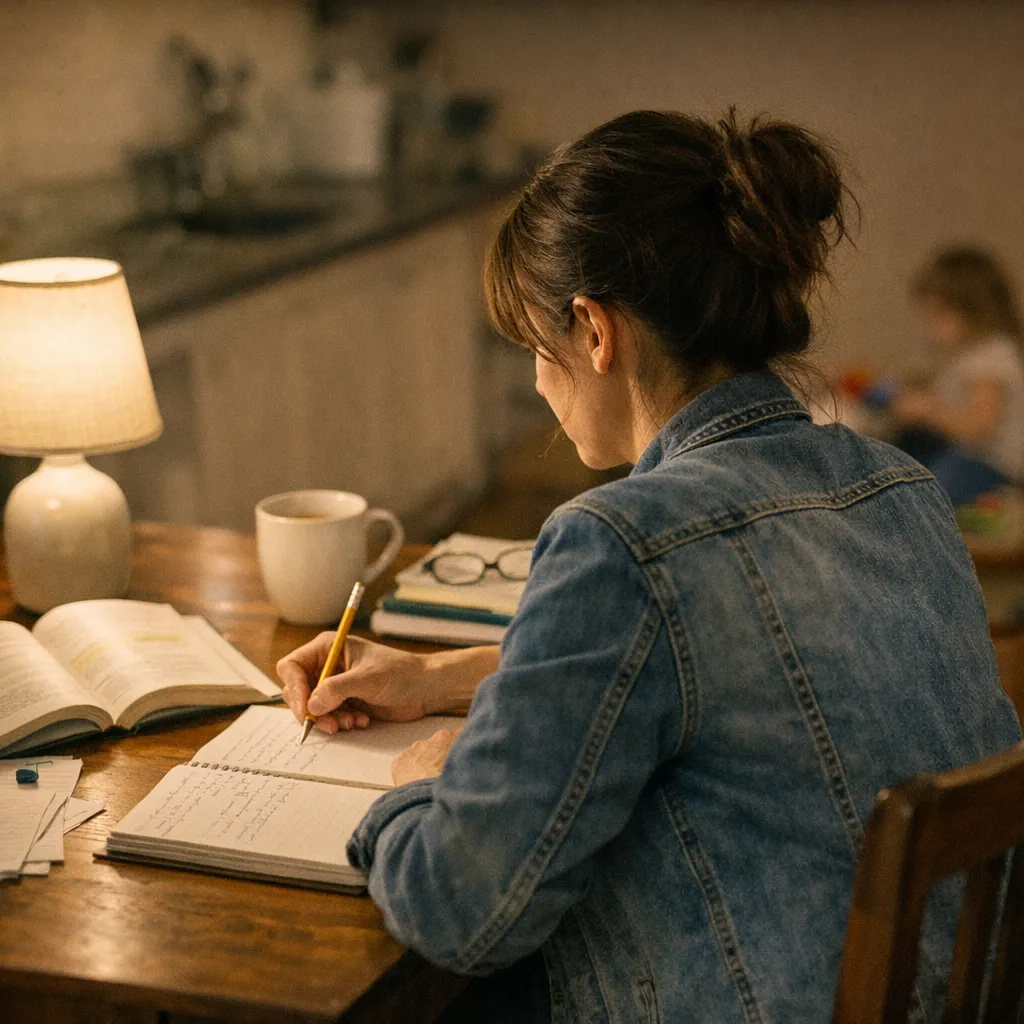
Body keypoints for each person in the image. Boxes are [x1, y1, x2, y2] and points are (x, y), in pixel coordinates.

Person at [278, 110, 1020, 1023]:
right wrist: (437, 677)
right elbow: (723, 658)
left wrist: (421, 783)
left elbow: (460, 910)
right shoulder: (898, 487)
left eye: (531, 348)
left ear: (594, 330)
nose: (538, 383)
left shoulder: (621, 539)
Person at [890, 246, 1024, 505]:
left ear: (971, 311)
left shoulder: (991, 354)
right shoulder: (967, 354)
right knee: (905, 444)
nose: (930, 328)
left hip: (994, 464)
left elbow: (979, 425)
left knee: (931, 491)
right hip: (968, 453)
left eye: (937, 317)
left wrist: (927, 410)